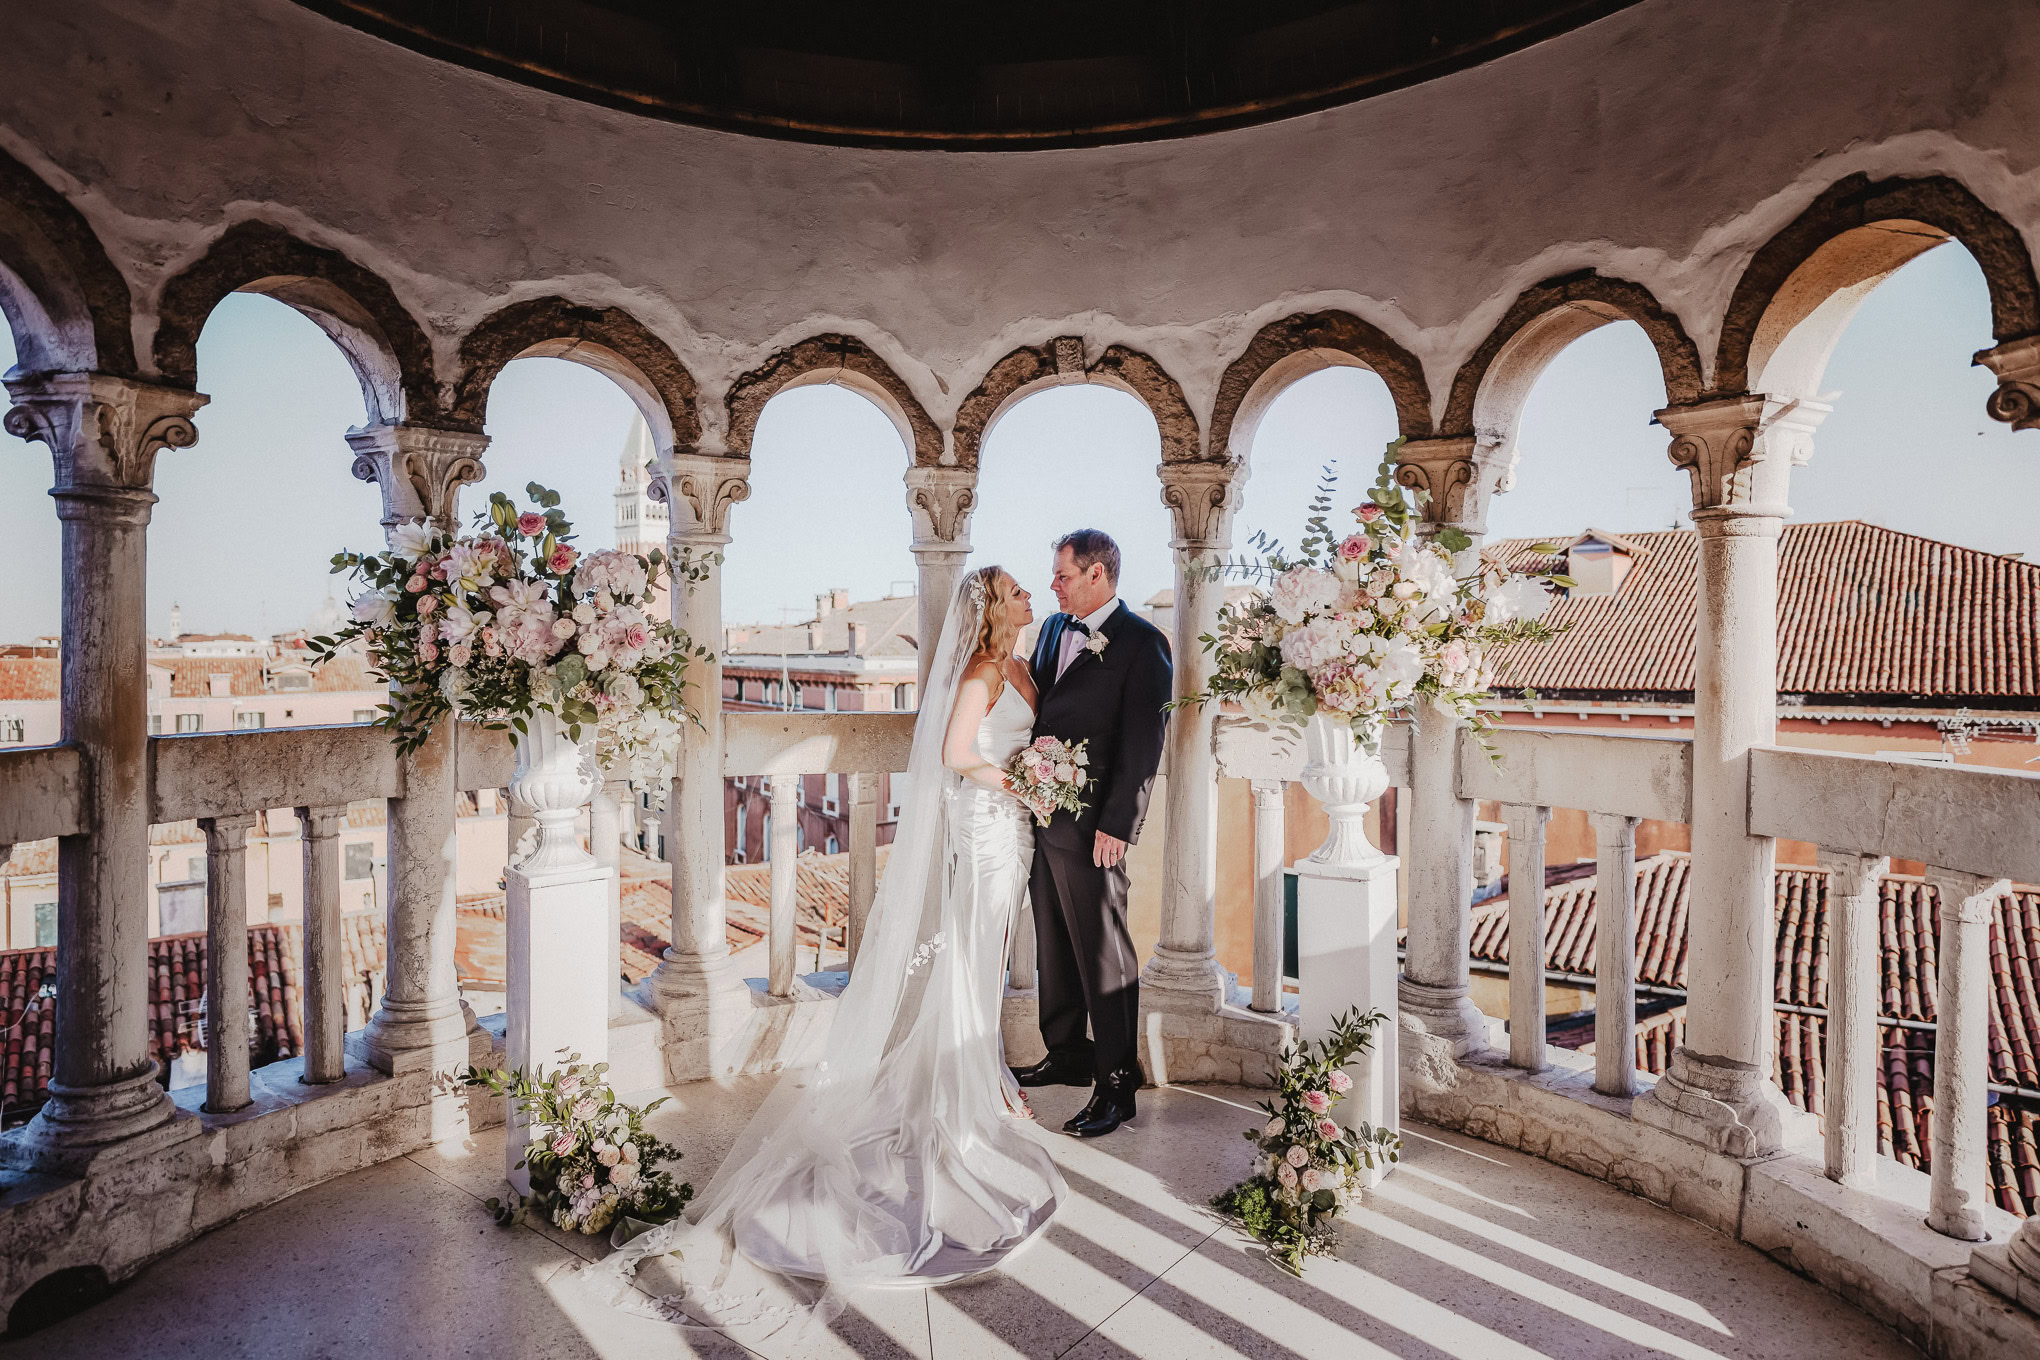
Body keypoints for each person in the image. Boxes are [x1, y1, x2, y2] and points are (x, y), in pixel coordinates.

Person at [585, 565, 1063, 1334]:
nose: (1030, 598)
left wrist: (1035, 786)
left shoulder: (1019, 666)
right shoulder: (980, 668)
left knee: (989, 950)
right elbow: (952, 751)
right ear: (995, 608)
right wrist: (1017, 781)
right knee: (968, 960)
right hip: (983, 828)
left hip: (1014, 831)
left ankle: (983, 1078)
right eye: (1018, 592)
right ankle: (961, 1098)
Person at [1011, 529, 1172, 1138]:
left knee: (1104, 951)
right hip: (1042, 812)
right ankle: (1068, 1053)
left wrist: (1118, 826)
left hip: (1094, 823)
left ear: (1097, 575)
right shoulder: (1053, 630)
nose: (1053, 585)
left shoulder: (1142, 643)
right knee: (1052, 939)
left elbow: (1143, 742)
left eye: (1062, 575)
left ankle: (1115, 1084)